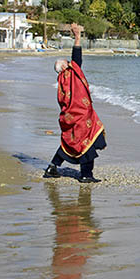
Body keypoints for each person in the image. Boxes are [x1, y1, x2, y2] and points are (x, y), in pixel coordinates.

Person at [43, 24, 106, 183]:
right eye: (67, 62)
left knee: (70, 143)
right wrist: (77, 37)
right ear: (63, 67)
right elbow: (77, 57)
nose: (70, 62)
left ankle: (52, 167)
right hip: (81, 117)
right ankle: (86, 175)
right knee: (87, 143)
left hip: (70, 117)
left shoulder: (62, 83)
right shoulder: (70, 74)